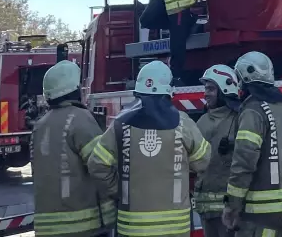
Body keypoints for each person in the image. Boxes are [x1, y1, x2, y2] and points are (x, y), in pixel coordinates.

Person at [88, 60, 210, 237]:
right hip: (175, 228)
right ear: (168, 90)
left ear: (139, 92)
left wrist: (118, 190)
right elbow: (203, 161)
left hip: (131, 227)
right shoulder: (183, 122)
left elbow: (97, 164)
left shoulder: (120, 124)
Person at [223, 52, 282, 237]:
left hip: (263, 218)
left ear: (245, 78)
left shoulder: (253, 111)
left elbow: (244, 162)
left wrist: (232, 205)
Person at [31, 60, 115, 237]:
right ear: (74, 89)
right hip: (83, 227)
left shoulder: (39, 126)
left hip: (45, 228)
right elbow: (100, 165)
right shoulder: (80, 118)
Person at [194, 65, 242, 237]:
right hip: (205, 211)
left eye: (211, 89)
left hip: (228, 212)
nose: (206, 94)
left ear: (224, 90)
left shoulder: (239, 120)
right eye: (205, 88)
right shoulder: (201, 121)